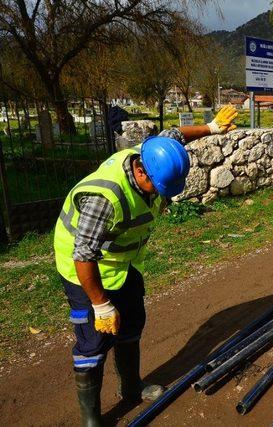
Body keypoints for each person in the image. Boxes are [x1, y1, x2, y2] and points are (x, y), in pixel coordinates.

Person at [54, 105, 238, 426]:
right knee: (93, 342)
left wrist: (211, 128)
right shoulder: (104, 198)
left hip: (124, 264)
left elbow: (177, 135)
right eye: (160, 187)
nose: (162, 197)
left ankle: (131, 388)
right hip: (86, 270)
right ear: (141, 172)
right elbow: (83, 254)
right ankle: (91, 419)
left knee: (131, 324)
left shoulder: (153, 152)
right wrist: (100, 304)